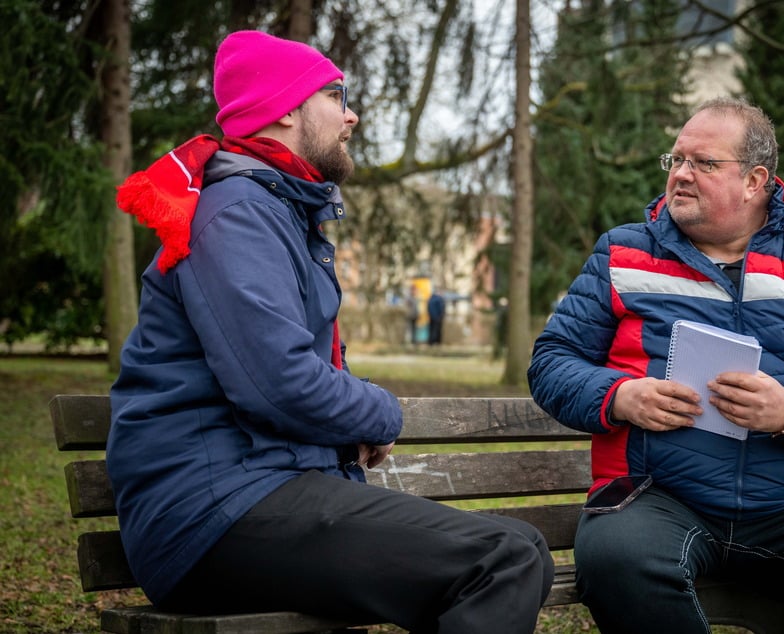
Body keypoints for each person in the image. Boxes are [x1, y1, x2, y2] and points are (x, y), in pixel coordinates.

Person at [107, 30, 553, 633]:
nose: (352, 115)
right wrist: (379, 413)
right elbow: (277, 382)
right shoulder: (237, 213)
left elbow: (285, 371)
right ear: (286, 111)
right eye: (336, 95)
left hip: (256, 492)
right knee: (503, 561)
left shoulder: (276, 209)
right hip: (210, 514)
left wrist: (346, 429)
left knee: (524, 548)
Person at [528, 97, 784, 633]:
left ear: (755, 180)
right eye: (675, 160)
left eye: (703, 163)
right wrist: (621, 396)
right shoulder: (622, 254)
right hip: (656, 494)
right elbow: (552, 361)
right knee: (617, 561)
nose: (681, 174)